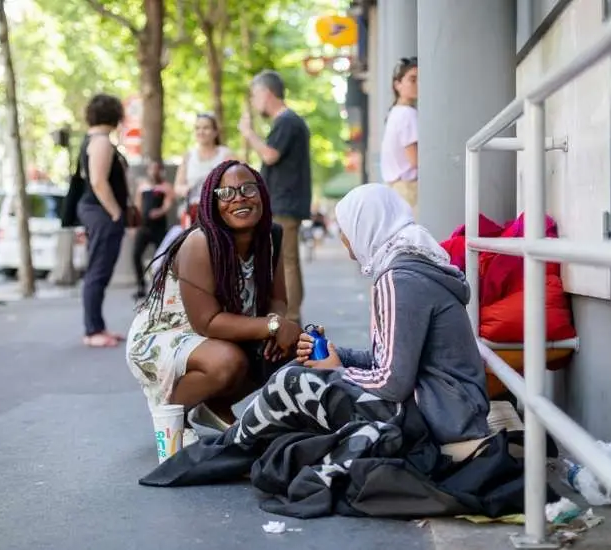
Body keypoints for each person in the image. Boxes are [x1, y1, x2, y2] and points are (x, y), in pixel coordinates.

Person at [223, 183, 489, 450]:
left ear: (366, 226)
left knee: (292, 382)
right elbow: (388, 362)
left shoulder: (399, 279)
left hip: (444, 415)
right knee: (299, 372)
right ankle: (234, 443)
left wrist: (338, 370)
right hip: (450, 406)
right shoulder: (410, 266)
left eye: (345, 228)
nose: (343, 237)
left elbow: (393, 383)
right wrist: (335, 354)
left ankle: (229, 447)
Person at [125, 160, 301, 429]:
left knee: (290, 348)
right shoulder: (200, 242)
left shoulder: (270, 237)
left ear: (262, 194)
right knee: (228, 361)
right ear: (212, 203)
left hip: (219, 329)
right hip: (167, 333)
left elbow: (277, 299)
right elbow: (206, 322)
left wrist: (277, 326)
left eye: (248, 190)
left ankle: (212, 405)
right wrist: (273, 325)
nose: (239, 198)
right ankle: (172, 418)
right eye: (226, 193)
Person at [239, 70, 311, 324]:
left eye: (254, 95)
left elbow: (270, 155)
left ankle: (291, 318)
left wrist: (248, 133)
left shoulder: (287, 121)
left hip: (285, 202)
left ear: (266, 93)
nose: (254, 101)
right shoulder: (289, 122)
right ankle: (292, 316)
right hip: (286, 201)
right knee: (288, 261)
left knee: (286, 262)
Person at [77, 93, 129, 348]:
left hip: (96, 212)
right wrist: (116, 212)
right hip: (102, 213)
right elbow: (98, 181)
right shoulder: (101, 143)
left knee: (98, 270)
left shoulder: (94, 139)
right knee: (98, 271)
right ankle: (93, 329)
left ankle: (97, 326)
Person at [174, 113, 235, 227]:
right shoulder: (188, 155)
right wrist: (185, 189)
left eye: (206, 128)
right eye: (197, 128)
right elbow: (177, 186)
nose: (201, 132)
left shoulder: (226, 154)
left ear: (215, 132)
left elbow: (236, 183)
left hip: (218, 212)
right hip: (193, 213)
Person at [381, 57, 418, 218]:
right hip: (409, 189)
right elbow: (415, 160)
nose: (418, 84)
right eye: (412, 79)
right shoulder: (407, 114)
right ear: (397, 84)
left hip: (396, 187)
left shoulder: (395, 112)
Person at [132, 161, 174, 299]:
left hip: (159, 227)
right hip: (144, 227)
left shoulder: (165, 187)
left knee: (162, 257)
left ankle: (160, 287)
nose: (153, 172)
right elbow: (137, 206)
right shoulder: (142, 187)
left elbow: (168, 204)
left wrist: (160, 211)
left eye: (156, 169)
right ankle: (141, 285)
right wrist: (134, 225)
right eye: (151, 169)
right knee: (136, 254)